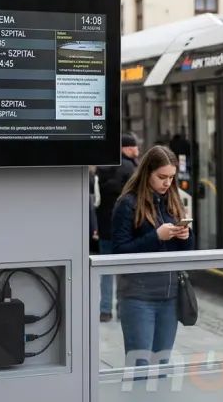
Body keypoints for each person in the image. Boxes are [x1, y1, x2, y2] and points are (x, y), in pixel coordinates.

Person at [112, 145, 193, 368]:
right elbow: (119, 252)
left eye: (171, 178)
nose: (167, 183)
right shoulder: (127, 204)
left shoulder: (172, 201)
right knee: (140, 367)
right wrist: (157, 236)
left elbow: (186, 252)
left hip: (170, 296)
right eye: (161, 177)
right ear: (147, 172)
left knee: (162, 366)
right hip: (138, 297)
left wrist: (185, 236)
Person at [95, 133, 139, 322]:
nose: (137, 150)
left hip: (105, 225)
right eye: (135, 147)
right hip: (124, 226)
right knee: (124, 270)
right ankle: (122, 308)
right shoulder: (130, 167)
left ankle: (105, 310)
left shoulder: (102, 167)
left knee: (106, 270)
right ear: (126, 148)